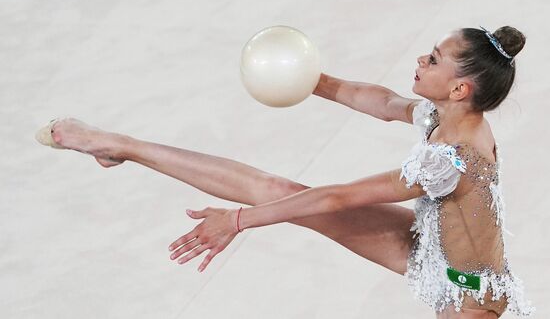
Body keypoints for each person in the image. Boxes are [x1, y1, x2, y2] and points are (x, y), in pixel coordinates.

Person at [42, 26, 535, 318]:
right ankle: (119, 146)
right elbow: (380, 101)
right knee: (277, 190)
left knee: (289, 198)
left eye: (434, 60)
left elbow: (336, 199)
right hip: (430, 246)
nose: (420, 60)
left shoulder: (452, 157)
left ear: (459, 90)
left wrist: (236, 221)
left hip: (468, 297)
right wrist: (312, 80)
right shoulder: (444, 116)